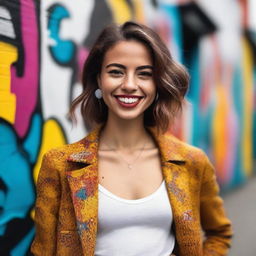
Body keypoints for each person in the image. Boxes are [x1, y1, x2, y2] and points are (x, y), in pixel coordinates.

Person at [31, 21, 232, 256]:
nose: (129, 85)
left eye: (144, 74)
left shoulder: (191, 161)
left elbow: (219, 232)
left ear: (157, 84)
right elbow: (43, 251)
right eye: (116, 72)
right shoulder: (60, 165)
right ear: (98, 79)